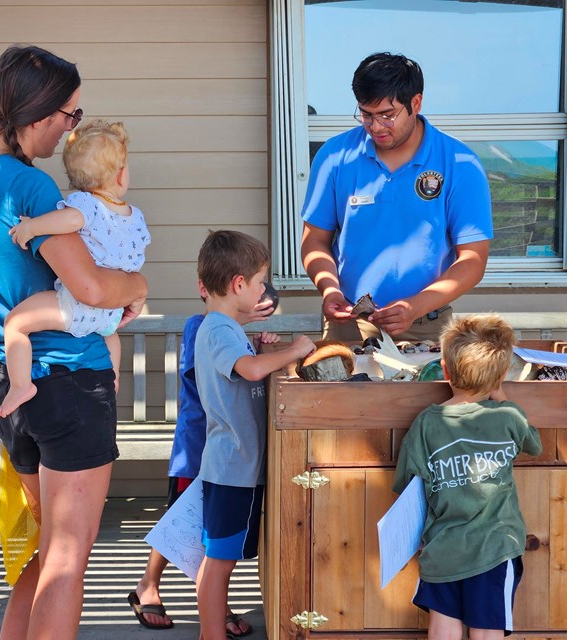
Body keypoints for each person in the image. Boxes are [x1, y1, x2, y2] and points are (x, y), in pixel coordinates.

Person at [0, 45, 148, 640]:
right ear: (37, 114)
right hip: (70, 386)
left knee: (40, 554)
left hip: (14, 389)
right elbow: (88, 285)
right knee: (68, 559)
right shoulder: (31, 189)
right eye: (69, 115)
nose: (71, 129)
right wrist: (138, 282)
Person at [300, 52, 493, 343]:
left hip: (426, 324)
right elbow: (314, 241)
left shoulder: (460, 163)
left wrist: (416, 305)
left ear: (415, 103)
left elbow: (473, 259)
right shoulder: (334, 156)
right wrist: (329, 289)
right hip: (349, 323)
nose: (376, 127)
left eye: (387, 115)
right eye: (366, 114)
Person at [128, 291, 276, 636]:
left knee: (207, 530)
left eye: (267, 309)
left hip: (218, 447)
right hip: (198, 445)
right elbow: (221, 378)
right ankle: (149, 584)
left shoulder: (232, 333)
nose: (260, 310)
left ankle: (214, 606)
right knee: (186, 519)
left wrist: (255, 344)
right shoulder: (205, 327)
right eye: (259, 301)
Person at [194, 230, 316, 640]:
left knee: (220, 557)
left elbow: (247, 371)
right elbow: (248, 371)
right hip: (234, 468)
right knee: (220, 560)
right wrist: (294, 351)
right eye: (261, 281)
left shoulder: (226, 329)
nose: (265, 289)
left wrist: (263, 351)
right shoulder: (219, 330)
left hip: (236, 466)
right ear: (239, 285)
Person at [393, 313, 542, 639]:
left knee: (443, 628)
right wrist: (501, 394)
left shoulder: (426, 423)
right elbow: (534, 444)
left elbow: (406, 483)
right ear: (501, 374)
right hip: (495, 548)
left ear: (445, 369)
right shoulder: (508, 415)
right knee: (487, 630)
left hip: (443, 548)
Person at [0, 119, 150, 417]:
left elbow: (68, 221)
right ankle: (113, 375)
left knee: (15, 323)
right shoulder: (135, 217)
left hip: (75, 306)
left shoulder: (84, 204)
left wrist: (31, 227)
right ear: (120, 176)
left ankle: (19, 386)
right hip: (111, 311)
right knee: (111, 335)